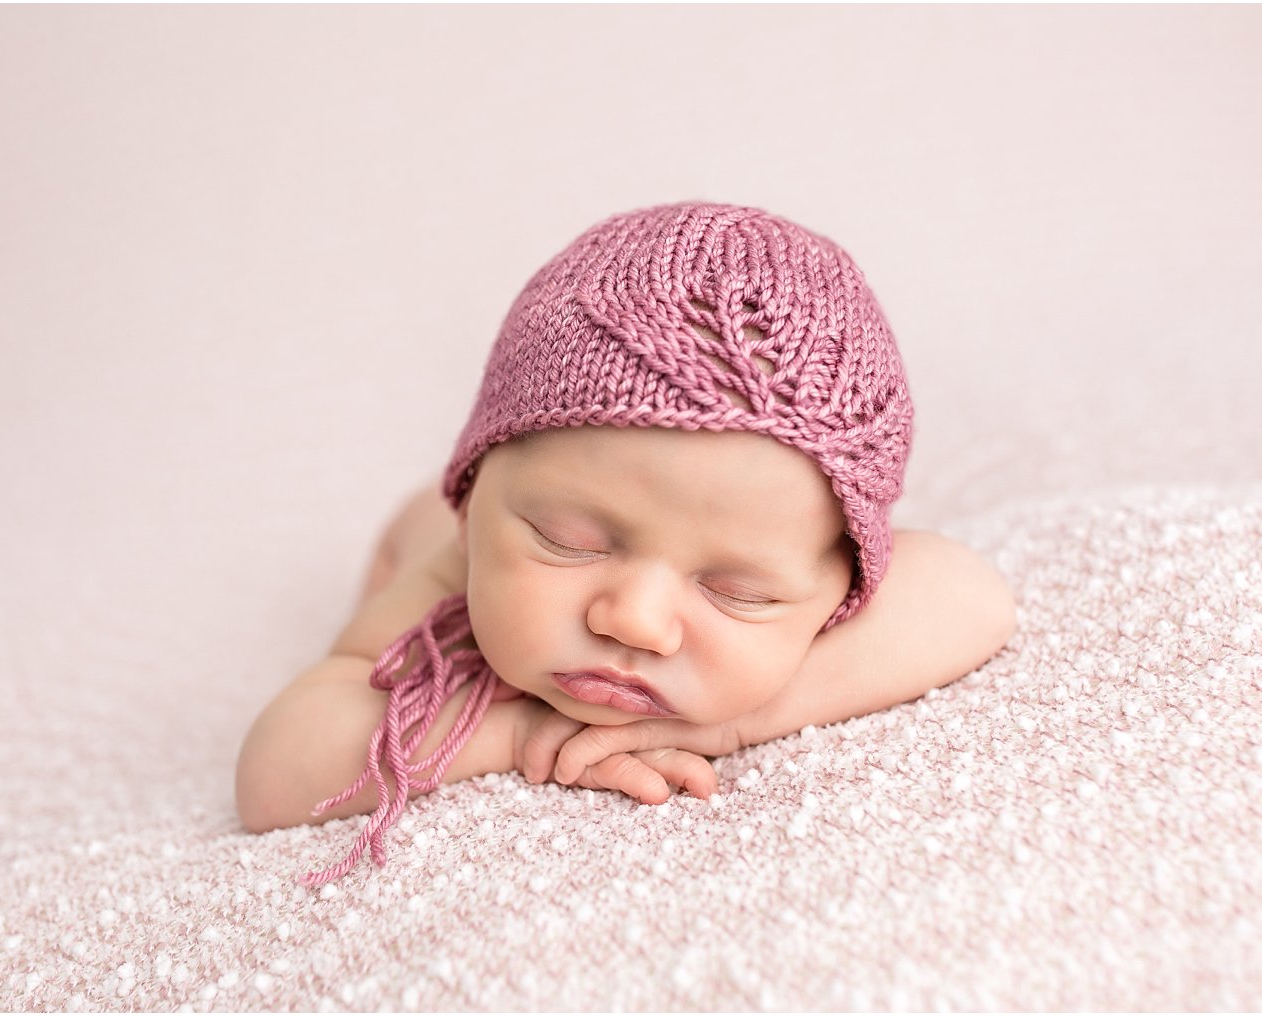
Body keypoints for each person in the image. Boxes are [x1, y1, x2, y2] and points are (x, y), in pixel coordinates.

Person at [235, 202, 1017, 886]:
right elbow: (275, 768)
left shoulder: (823, 557)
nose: (634, 621)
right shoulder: (451, 571)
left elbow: (972, 597)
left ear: (843, 587)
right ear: (476, 497)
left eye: (738, 591)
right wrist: (519, 732)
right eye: (566, 542)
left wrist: (717, 726)